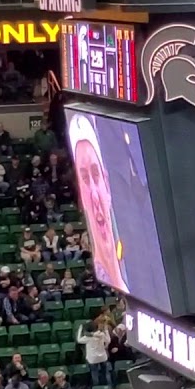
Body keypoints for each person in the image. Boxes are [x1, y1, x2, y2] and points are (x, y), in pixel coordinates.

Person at [68, 114, 128, 292]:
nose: (95, 195)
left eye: (96, 175)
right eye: (85, 179)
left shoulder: (135, 265)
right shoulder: (99, 275)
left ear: (107, 185)